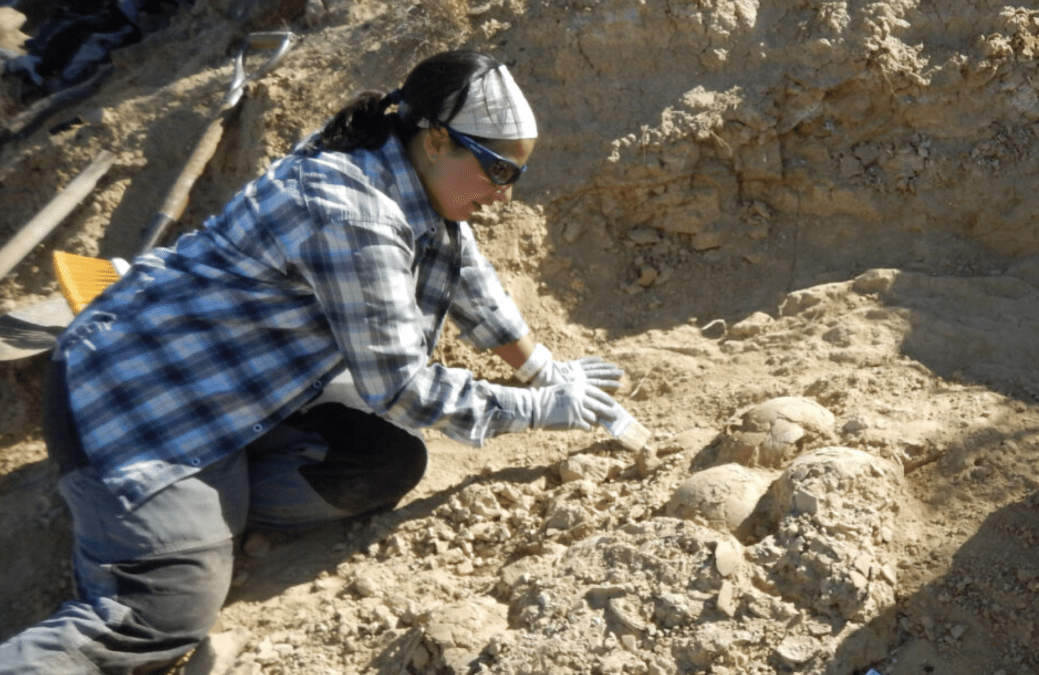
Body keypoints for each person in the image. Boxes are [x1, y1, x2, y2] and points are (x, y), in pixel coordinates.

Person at [0, 49, 625, 674]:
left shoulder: (400, 166)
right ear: (437, 141)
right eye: (495, 170)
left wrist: (542, 366)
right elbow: (404, 386)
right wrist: (541, 407)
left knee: (383, 460)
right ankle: (165, 540)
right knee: (160, 617)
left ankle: (203, 514)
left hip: (236, 380)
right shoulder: (349, 211)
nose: (505, 193)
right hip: (135, 397)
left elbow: (461, 268)